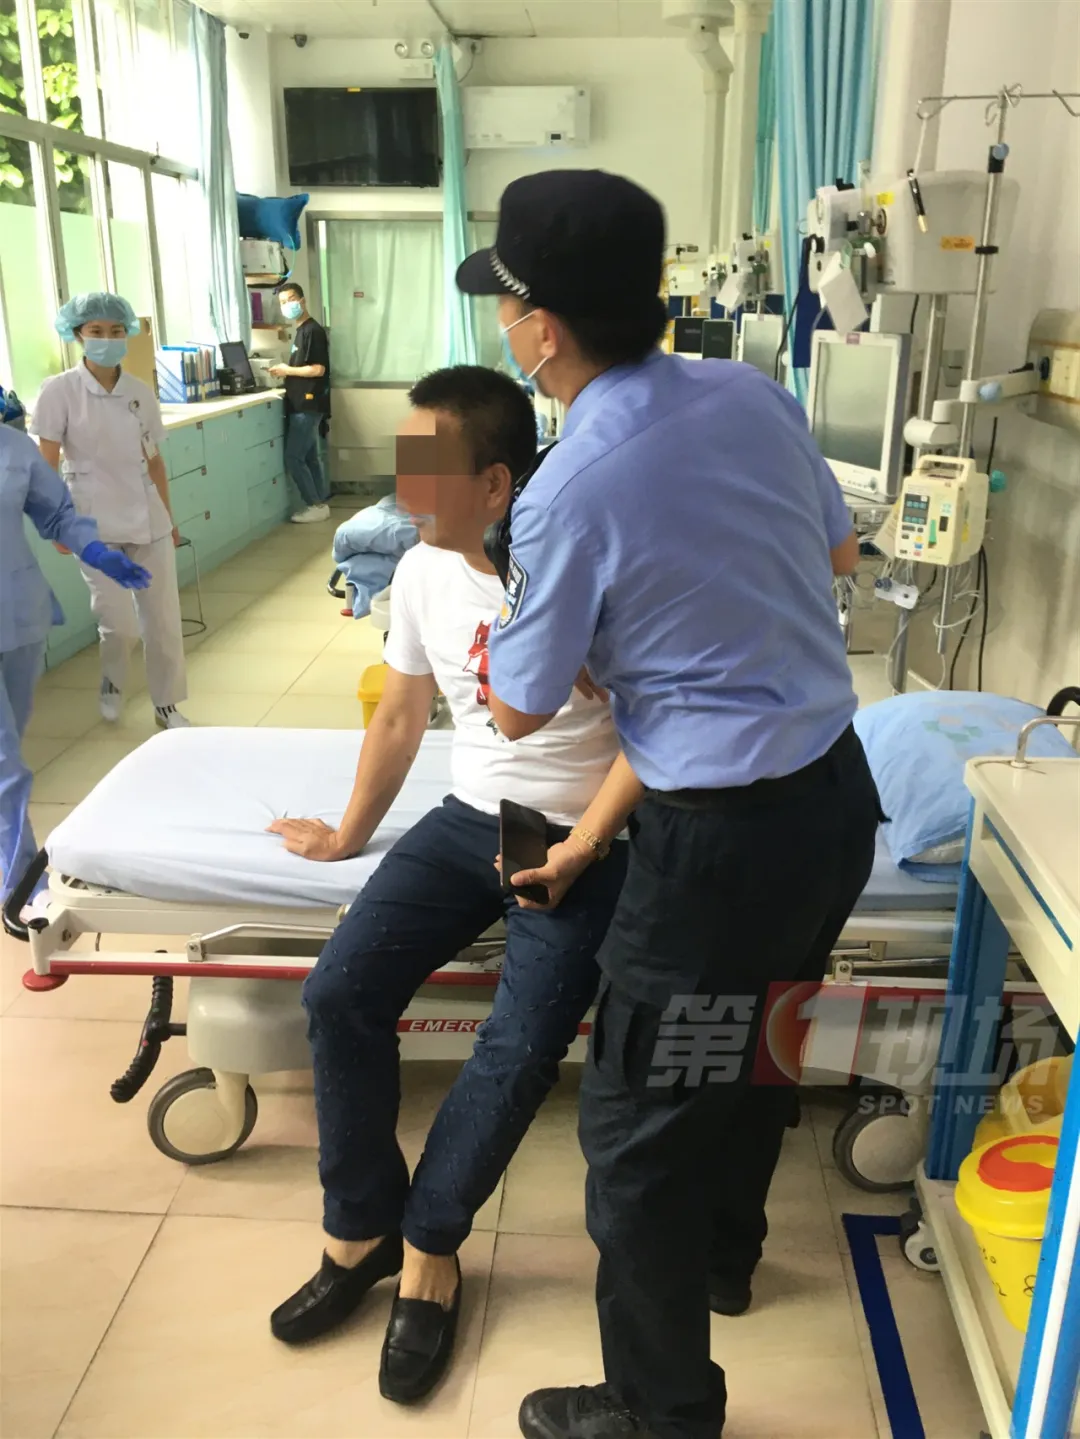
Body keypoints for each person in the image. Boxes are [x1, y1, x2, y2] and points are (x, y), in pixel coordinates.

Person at [455, 170, 882, 1439]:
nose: (505, 331)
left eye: (506, 310)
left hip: (716, 850)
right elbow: (837, 554)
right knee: (754, 1045)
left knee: (637, 1124)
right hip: (831, 805)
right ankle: (724, 1259)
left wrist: (596, 642)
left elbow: (519, 706)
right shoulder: (750, 392)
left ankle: (660, 1407)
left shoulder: (568, 486)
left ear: (542, 328)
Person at [266, 365, 627, 1403]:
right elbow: (400, 713)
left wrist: (590, 842)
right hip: (470, 815)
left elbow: (659, 730)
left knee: (517, 1047)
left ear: (497, 482)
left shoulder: (586, 567)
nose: (405, 488)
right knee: (339, 992)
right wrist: (347, 834)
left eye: (426, 468)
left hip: (578, 835)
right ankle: (359, 1229)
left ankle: (430, 1247)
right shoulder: (421, 567)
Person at [1, 422, 150, 913]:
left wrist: (95, 550)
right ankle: (23, 883)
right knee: (5, 765)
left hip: (18, 615)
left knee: (10, 745)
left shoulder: (12, 446)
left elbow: (57, 512)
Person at [31, 292, 190, 731]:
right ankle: (112, 686)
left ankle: (167, 705)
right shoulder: (59, 391)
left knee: (163, 621)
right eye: (96, 331)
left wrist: (169, 519)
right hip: (92, 523)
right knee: (120, 625)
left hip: (148, 517)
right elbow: (46, 463)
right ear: (78, 335)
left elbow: (154, 461)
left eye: (116, 330)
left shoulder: (139, 392)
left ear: (127, 334)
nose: (107, 338)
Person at [269, 282, 332, 524]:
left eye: (291, 299)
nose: (287, 305)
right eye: (283, 302)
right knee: (310, 457)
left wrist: (287, 369)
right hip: (303, 404)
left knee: (294, 457)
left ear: (302, 300)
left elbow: (318, 369)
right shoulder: (301, 331)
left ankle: (314, 504)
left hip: (308, 405)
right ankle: (320, 503)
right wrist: (287, 372)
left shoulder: (312, 331)